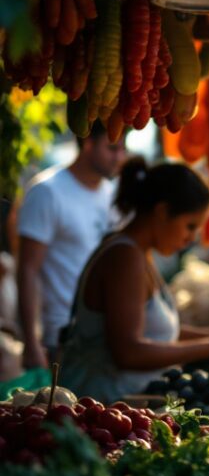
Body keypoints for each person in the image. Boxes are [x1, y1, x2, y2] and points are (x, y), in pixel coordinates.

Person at [60, 160, 209, 402]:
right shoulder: (124, 257)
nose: (191, 238)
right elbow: (129, 352)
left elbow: (158, 334)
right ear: (162, 212)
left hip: (127, 400)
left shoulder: (139, 252)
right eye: (190, 226)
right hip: (98, 405)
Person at [17, 125, 128, 368]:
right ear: (87, 143)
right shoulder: (47, 192)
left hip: (100, 336)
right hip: (60, 338)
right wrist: (31, 341)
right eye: (112, 148)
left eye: (123, 149)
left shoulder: (111, 195)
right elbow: (27, 269)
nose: (120, 157)